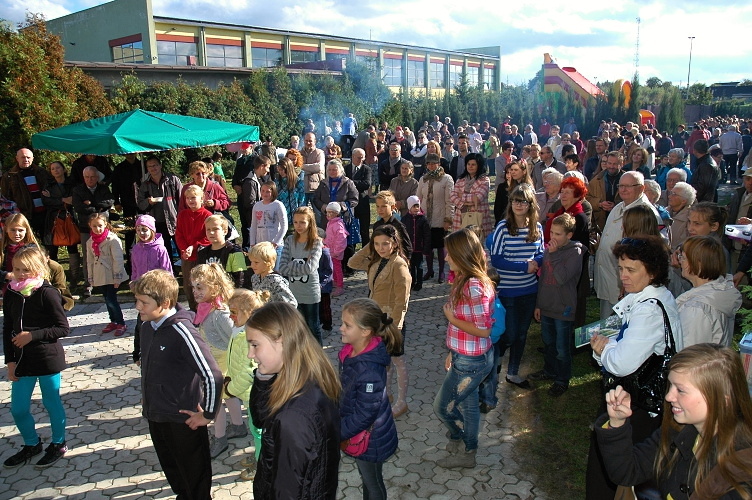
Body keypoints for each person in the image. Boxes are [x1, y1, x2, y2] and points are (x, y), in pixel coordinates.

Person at [587, 235, 684, 499]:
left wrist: (604, 349)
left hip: (636, 405)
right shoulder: (650, 297)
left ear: (652, 271)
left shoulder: (649, 310)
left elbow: (621, 364)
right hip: (637, 403)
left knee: (613, 467)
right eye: (620, 268)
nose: (623, 276)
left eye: (631, 270)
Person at [594, 344, 752, 500]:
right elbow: (627, 472)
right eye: (670, 386)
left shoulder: (740, 469)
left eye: (681, 390)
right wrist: (617, 422)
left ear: (721, 401)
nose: (669, 397)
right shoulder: (679, 430)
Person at [133, 269, 223, 500]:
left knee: (194, 476)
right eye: (137, 300)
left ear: (165, 303)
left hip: (183, 420)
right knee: (173, 470)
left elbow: (212, 374)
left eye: (144, 302)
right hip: (156, 414)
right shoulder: (147, 326)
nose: (138, 307)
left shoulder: (182, 330)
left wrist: (208, 414)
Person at [246, 301, 341, 499]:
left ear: (281, 341)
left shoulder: (293, 416)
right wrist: (263, 378)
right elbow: (261, 419)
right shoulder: (301, 376)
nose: (250, 354)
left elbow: (287, 489)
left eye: (255, 345)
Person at [431, 227, 496, 469]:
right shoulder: (463, 280)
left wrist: (451, 318)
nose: (446, 257)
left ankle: (462, 439)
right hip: (463, 355)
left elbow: (483, 330)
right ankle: (468, 447)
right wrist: (453, 351)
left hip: (471, 361)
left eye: (450, 253)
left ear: (462, 255)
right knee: (468, 405)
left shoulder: (474, 287)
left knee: (442, 407)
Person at [2, 246, 70, 469]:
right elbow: (7, 328)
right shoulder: (11, 293)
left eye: (26, 269)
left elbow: (62, 328)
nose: (21, 274)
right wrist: (10, 361)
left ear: (38, 268)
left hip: (47, 358)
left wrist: (32, 336)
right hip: (22, 361)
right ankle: (32, 444)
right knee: (18, 408)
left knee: (51, 402)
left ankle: (58, 443)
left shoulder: (47, 293)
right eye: (17, 269)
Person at [482, 184, 544, 406]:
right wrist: (523, 266)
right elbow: (497, 259)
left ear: (530, 205)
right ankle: (495, 366)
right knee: (508, 334)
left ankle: (513, 372)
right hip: (507, 291)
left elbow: (541, 253)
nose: (518, 204)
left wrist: (536, 263)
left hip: (529, 291)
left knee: (521, 334)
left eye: (523, 201)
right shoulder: (503, 228)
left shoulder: (537, 227)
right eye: (515, 201)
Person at [339, 298, 401, 499]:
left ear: (365, 331)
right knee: (368, 479)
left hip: (370, 439)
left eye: (347, 325)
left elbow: (365, 414)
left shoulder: (369, 372)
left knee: (373, 483)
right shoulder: (351, 353)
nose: (341, 328)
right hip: (360, 432)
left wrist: (336, 432)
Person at [348, 224, 412, 418]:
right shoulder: (376, 261)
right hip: (376, 320)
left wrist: (396, 327)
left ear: (395, 243)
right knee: (385, 361)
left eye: (385, 243)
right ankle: (387, 394)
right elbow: (352, 262)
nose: (381, 248)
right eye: (377, 244)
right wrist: (370, 246)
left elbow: (402, 300)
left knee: (397, 360)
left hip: (391, 322)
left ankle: (402, 402)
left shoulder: (398, 265)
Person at [189, 264, 244, 459]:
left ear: (215, 287)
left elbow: (236, 337)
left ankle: (219, 438)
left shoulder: (219, 314)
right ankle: (238, 426)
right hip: (215, 365)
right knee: (228, 396)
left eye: (200, 287)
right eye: (193, 287)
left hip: (220, 367)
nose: (195, 292)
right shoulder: (206, 309)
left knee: (215, 403)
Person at [529, 214, 584, 396]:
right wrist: (538, 304)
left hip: (563, 308)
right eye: (551, 232)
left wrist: (553, 256)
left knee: (562, 348)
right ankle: (549, 370)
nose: (553, 237)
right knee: (549, 342)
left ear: (569, 235)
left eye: (558, 234)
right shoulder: (549, 250)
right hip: (547, 305)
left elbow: (561, 278)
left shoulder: (575, 253)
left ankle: (562, 379)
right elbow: (544, 278)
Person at [225, 288, 268, 481]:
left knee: (258, 431)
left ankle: (262, 465)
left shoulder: (250, 338)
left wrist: (229, 389)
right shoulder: (240, 331)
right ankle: (260, 453)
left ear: (248, 313)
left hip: (254, 395)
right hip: (246, 393)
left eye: (234, 312)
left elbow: (249, 372)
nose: (230, 316)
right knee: (255, 430)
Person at [676, 236, 741, 347]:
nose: (680, 261)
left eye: (683, 257)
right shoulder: (718, 291)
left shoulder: (697, 308)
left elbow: (689, 351)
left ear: (699, 264)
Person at [130, 214, 173, 364]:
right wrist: (133, 282)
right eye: (139, 230)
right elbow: (135, 269)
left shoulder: (160, 249)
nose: (142, 233)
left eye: (145, 229)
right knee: (141, 323)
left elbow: (167, 271)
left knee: (158, 321)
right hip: (142, 292)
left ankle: (162, 349)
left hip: (157, 293)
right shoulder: (136, 249)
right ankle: (138, 353)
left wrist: (166, 290)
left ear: (152, 230)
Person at [278, 206, 323, 343]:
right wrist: (298, 266)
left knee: (313, 327)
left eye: (302, 222)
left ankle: (318, 354)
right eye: (296, 222)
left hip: (310, 293)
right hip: (293, 293)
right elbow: (282, 268)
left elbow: (310, 268)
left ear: (310, 223)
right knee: (298, 329)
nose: (298, 226)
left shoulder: (316, 242)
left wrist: (291, 264)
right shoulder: (289, 240)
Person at [72, 166, 115, 296]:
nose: (90, 179)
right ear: (83, 177)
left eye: (92, 177)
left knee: (108, 253)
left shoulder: (103, 188)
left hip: (103, 228)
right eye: (87, 177)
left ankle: (109, 281)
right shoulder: (78, 190)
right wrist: (98, 209)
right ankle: (88, 283)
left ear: (97, 177)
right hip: (86, 228)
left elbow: (110, 201)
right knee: (88, 256)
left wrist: (91, 204)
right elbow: (78, 207)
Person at [86, 213, 127, 336]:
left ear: (105, 224)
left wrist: (117, 278)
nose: (97, 229)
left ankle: (121, 322)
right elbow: (89, 260)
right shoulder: (90, 241)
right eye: (94, 226)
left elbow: (118, 259)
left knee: (111, 299)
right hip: (100, 275)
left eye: (100, 225)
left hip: (111, 274)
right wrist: (91, 277)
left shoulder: (112, 239)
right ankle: (113, 321)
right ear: (90, 226)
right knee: (106, 299)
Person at [416, 153, 454, 283]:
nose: (431, 166)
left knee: (440, 246)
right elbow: (418, 198)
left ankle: (442, 271)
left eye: (434, 163)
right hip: (426, 218)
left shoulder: (446, 179)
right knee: (428, 246)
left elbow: (450, 201)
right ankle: (430, 270)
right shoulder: (423, 179)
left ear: (439, 164)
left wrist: (448, 219)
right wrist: (418, 215)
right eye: (429, 163)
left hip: (440, 217)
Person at [174, 185, 212, 311]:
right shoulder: (182, 215)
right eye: (188, 198)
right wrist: (184, 249)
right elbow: (179, 234)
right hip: (187, 256)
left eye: (194, 198)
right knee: (188, 285)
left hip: (201, 255)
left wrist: (194, 246)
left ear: (201, 198)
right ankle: (193, 310)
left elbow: (208, 237)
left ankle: (204, 310)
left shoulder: (207, 215)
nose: (190, 200)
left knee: (202, 284)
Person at [1, 149, 50, 236]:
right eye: (23, 157)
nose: (26, 160)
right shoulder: (9, 176)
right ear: (17, 158)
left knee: (48, 241)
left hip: (45, 214)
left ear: (32, 158)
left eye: (28, 157)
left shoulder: (42, 172)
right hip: (24, 216)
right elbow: (6, 198)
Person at [41, 161, 79, 266]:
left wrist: (53, 198)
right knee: (52, 248)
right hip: (53, 219)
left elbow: (73, 201)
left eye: (57, 168)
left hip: (69, 216)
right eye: (52, 169)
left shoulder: (72, 184)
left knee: (72, 245)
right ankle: (55, 272)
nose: (55, 170)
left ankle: (74, 274)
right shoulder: (48, 185)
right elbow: (46, 202)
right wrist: (63, 200)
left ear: (64, 169)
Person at [196, 215, 247, 289]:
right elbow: (200, 276)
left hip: (229, 292)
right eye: (208, 229)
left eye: (215, 229)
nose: (211, 232)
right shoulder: (202, 253)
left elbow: (240, 278)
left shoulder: (234, 252)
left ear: (225, 231)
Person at [451, 152, 492, 239]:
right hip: (460, 217)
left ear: (479, 166)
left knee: (477, 242)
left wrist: (461, 196)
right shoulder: (460, 180)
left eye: (473, 164)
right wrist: (464, 203)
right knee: (461, 242)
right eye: (468, 164)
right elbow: (453, 196)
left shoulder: (484, 180)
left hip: (478, 218)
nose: (470, 166)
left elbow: (478, 198)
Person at [248, 181, 288, 266]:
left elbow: (284, 226)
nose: (264, 194)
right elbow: (253, 225)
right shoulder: (257, 206)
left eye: (267, 191)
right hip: (260, 245)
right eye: (262, 191)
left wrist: (275, 243)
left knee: (275, 269)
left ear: (273, 192)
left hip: (275, 246)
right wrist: (252, 243)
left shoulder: (278, 205)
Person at [313, 159, 359, 229]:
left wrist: (341, 206)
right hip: (326, 218)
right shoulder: (323, 183)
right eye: (329, 170)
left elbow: (354, 199)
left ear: (340, 170)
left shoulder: (348, 183)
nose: (331, 172)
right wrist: (324, 206)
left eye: (334, 170)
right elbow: (316, 199)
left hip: (343, 218)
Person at [248, 241, 296, 306]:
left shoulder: (275, 280)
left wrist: (276, 311)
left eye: (256, 262)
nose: (252, 265)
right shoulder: (254, 278)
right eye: (251, 262)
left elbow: (292, 303)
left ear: (268, 263)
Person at [239, 155, 271, 250]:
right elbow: (250, 202)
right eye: (267, 167)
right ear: (262, 166)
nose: (268, 170)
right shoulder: (250, 182)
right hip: (252, 218)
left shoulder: (259, 179)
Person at [372, 190, 412, 259]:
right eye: (378, 206)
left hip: (395, 260)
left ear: (392, 207)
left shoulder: (398, 225)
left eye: (383, 206)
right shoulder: (377, 225)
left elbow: (407, 247)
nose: (380, 209)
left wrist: (405, 260)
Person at [402, 195, 431, 292]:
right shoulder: (405, 219)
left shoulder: (423, 219)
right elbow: (402, 234)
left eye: (417, 206)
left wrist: (426, 248)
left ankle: (419, 283)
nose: (416, 208)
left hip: (419, 247)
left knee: (419, 266)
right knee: (411, 266)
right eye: (414, 206)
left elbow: (427, 235)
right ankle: (412, 281)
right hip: (409, 248)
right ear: (409, 207)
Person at [345, 148, 372, 246]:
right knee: (350, 228)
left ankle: (366, 250)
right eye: (358, 157)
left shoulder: (367, 169)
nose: (361, 160)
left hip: (362, 202)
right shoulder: (345, 169)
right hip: (349, 202)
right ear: (352, 157)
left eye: (362, 158)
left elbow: (366, 184)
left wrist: (350, 182)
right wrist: (357, 183)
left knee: (364, 229)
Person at [494, 161, 533, 225]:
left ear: (524, 171)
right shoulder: (511, 186)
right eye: (511, 170)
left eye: (516, 170)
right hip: (508, 221)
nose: (512, 172)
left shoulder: (528, 188)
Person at [275, 157, 305, 228]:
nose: (281, 172)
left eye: (283, 170)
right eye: (279, 170)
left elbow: (302, 200)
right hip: (281, 216)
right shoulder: (277, 182)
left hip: (295, 216)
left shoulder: (298, 182)